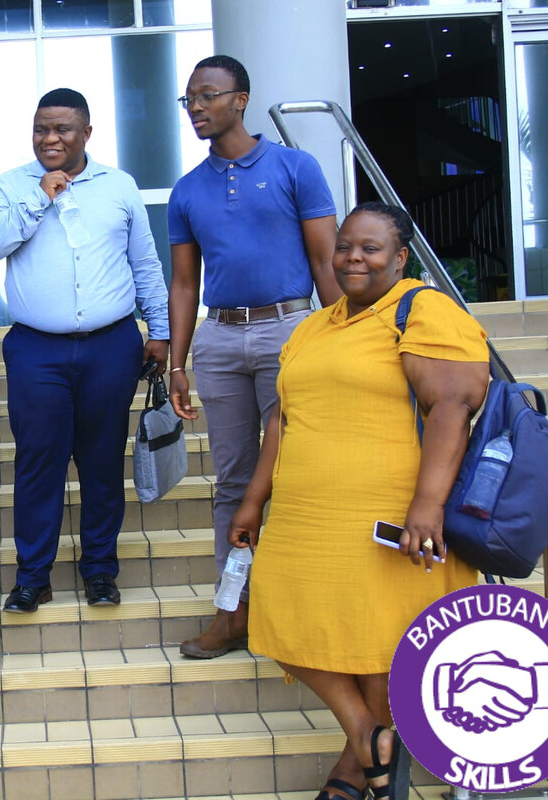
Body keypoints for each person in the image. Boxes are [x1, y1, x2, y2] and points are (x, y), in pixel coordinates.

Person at [229, 203, 489, 800]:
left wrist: (427, 505)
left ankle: (353, 773)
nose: (353, 258)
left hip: (385, 510)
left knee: (376, 645)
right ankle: (370, 736)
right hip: (304, 513)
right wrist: (253, 499)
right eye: (345, 245)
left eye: (371, 248)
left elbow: (452, 406)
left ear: (401, 257)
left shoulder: (421, 310)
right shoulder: (317, 324)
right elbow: (283, 420)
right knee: (279, 621)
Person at [166, 55, 342, 658]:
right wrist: (177, 363)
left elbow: (326, 261)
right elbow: (184, 284)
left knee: (292, 475)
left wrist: (346, 336)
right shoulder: (187, 189)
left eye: (207, 95)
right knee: (233, 482)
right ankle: (233, 611)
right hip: (219, 337)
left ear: (240, 99)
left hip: (290, 329)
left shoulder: (295, 167)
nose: (196, 107)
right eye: (189, 99)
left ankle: (294, 608)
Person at [0, 88, 169, 613]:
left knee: (102, 461)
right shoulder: (11, 186)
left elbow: (145, 264)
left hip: (111, 346)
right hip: (37, 350)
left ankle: (100, 571)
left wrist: (161, 331)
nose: (49, 138)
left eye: (62, 129)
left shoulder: (119, 186)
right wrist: (40, 196)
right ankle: (33, 576)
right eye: (41, 129)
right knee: (39, 462)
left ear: (86, 133)